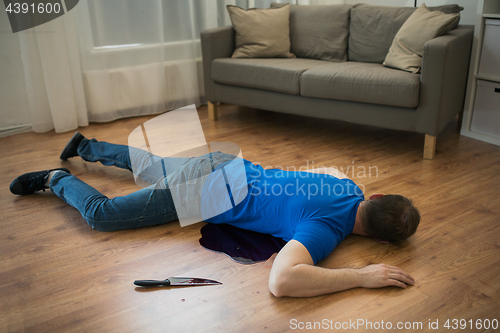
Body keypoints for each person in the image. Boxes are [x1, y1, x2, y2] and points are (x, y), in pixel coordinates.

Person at [9, 132, 420, 297]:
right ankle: (56, 177)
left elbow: (322, 178)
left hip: (224, 163)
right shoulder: (325, 232)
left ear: (376, 194)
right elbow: (281, 282)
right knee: (103, 215)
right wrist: (362, 277)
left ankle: (86, 145)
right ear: (380, 241)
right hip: (203, 191)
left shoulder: (348, 186)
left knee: (152, 165)